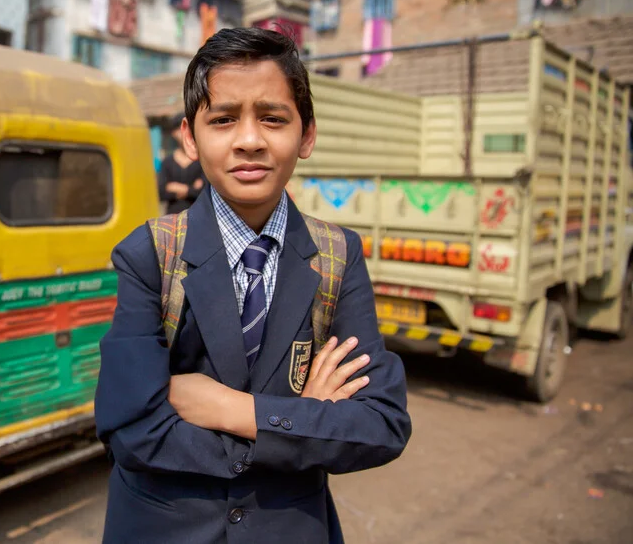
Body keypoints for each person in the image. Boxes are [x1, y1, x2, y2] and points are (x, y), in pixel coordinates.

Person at [95, 28, 411, 543]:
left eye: (272, 117)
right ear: (190, 139)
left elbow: (380, 425)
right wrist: (301, 419)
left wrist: (234, 410)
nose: (249, 139)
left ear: (306, 135)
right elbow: (131, 429)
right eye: (223, 119)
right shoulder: (150, 253)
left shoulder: (337, 256)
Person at [158, 111, 205, 214]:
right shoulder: (167, 162)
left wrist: (178, 188)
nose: (186, 133)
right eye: (181, 129)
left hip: (199, 216)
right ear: (173, 133)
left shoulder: (203, 160)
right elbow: (161, 193)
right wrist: (191, 189)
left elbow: (205, 191)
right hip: (173, 220)